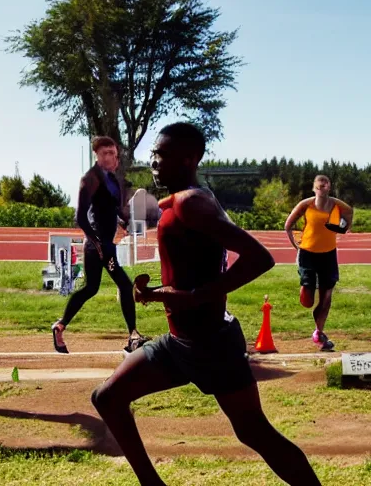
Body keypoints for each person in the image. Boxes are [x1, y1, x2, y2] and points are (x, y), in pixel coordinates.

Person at [91, 123, 321, 486]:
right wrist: (157, 293)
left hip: (211, 344)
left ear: (189, 158)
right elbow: (174, 215)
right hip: (180, 342)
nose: (153, 161)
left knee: (254, 432)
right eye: (153, 153)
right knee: (107, 397)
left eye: (161, 154)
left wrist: (195, 297)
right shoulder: (187, 198)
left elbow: (259, 257)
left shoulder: (191, 203)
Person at [52, 136, 148, 354]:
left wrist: (124, 222)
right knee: (124, 284)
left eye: (113, 153)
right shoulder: (90, 179)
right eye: (105, 153)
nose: (110, 157)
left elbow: (113, 210)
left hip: (106, 245)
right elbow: (81, 218)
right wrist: (97, 243)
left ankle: (60, 325)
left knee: (91, 288)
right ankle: (133, 335)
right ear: (96, 155)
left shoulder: (112, 180)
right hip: (98, 247)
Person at [285, 175, 353, 351]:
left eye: (325, 185)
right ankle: (306, 287)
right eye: (319, 185)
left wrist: (344, 227)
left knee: (327, 297)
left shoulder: (337, 206)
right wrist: (296, 246)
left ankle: (319, 332)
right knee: (308, 299)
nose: (322, 187)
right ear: (314, 188)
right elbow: (288, 225)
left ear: (329, 187)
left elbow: (349, 215)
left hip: (329, 255)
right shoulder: (305, 205)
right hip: (307, 253)